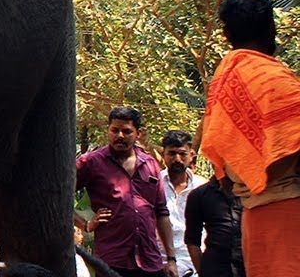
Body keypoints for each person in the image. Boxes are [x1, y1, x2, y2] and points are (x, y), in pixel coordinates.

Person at [200, 0, 300, 276]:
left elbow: (224, 167)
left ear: (226, 35)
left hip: (254, 217)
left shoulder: (225, 83)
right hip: (290, 215)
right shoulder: (279, 82)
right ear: (272, 27)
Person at [75, 106, 180, 277]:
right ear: (108, 130)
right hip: (112, 260)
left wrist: (171, 259)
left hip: (149, 261)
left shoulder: (150, 164)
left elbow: (161, 212)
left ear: (138, 133)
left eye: (126, 131)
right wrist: (85, 224)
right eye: (114, 130)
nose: (120, 136)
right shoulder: (92, 162)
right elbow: (59, 196)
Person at [160, 130, 206, 277]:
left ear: (191, 155)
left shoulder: (202, 187)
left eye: (182, 154)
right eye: (172, 153)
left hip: (196, 266)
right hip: (161, 264)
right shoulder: (153, 185)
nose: (177, 159)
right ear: (163, 155)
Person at [184, 179, 244, 277]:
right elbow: (192, 241)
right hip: (215, 269)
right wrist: (202, 272)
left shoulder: (249, 193)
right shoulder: (199, 195)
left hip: (248, 267)